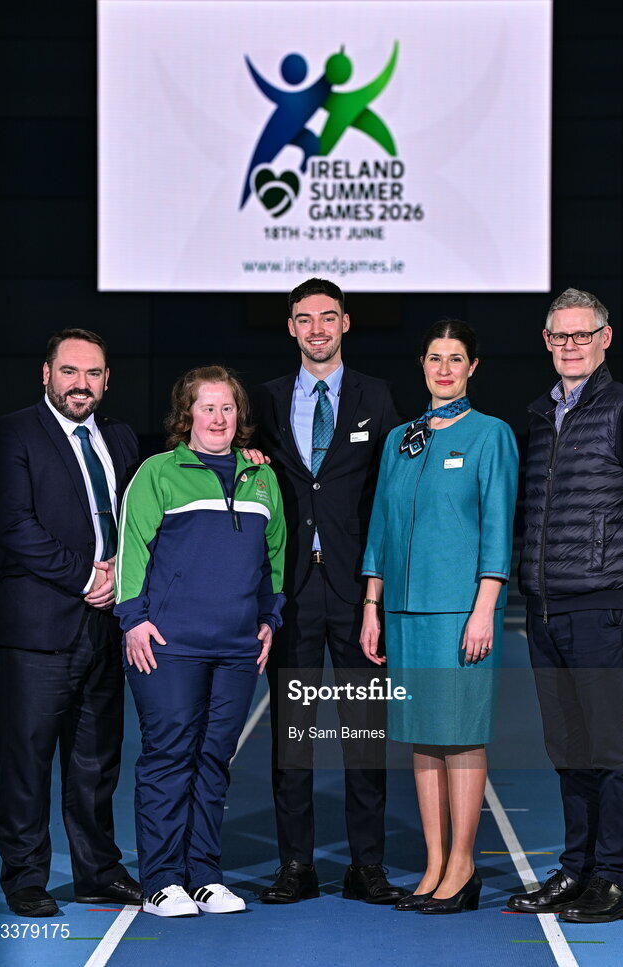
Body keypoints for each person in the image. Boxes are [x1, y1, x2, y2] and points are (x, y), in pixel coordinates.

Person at [509, 289, 623, 923]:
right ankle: (577, 868)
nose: (571, 346)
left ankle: (614, 880)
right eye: (560, 337)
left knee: (610, 748)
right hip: (546, 609)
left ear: (605, 339)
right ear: (547, 342)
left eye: (582, 336)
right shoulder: (539, 413)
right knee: (568, 748)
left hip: (603, 607)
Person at [0, 328, 142, 917]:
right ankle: (25, 877)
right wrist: (88, 578)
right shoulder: (14, 434)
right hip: (40, 627)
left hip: (104, 628)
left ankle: (98, 872)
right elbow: (14, 526)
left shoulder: (120, 439)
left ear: (106, 380)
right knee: (27, 759)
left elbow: (146, 514)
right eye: (69, 371)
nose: (81, 383)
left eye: (93, 373)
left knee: (97, 761)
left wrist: (120, 572)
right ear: (45, 374)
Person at [252, 278, 405, 905]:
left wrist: (380, 591)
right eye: (304, 319)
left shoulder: (379, 396)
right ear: (291, 327)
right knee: (293, 735)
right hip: (290, 591)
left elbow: (392, 499)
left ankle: (366, 865)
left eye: (328, 318)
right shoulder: (259, 403)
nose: (317, 329)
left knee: (364, 732)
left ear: (346, 323)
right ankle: (296, 866)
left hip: (355, 592)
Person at [113, 366, 286, 918]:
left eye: (228, 408)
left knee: (215, 759)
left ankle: (205, 875)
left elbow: (274, 558)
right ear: (185, 415)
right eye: (206, 408)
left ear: (240, 417)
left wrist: (269, 617)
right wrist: (133, 620)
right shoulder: (158, 474)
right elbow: (132, 548)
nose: (218, 418)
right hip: (168, 645)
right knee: (168, 758)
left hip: (236, 648)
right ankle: (163, 879)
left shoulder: (263, 478)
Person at [360, 319, 518, 915]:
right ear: (422, 365)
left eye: (456, 358)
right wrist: (372, 604)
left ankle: (464, 865)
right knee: (422, 740)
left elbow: (498, 527)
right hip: (403, 612)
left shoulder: (491, 435)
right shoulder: (402, 437)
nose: (444, 368)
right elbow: (379, 523)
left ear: (472, 366)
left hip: (459, 611)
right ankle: (433, 863)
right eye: (434, 357)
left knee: (461, 737)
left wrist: (484, 609)